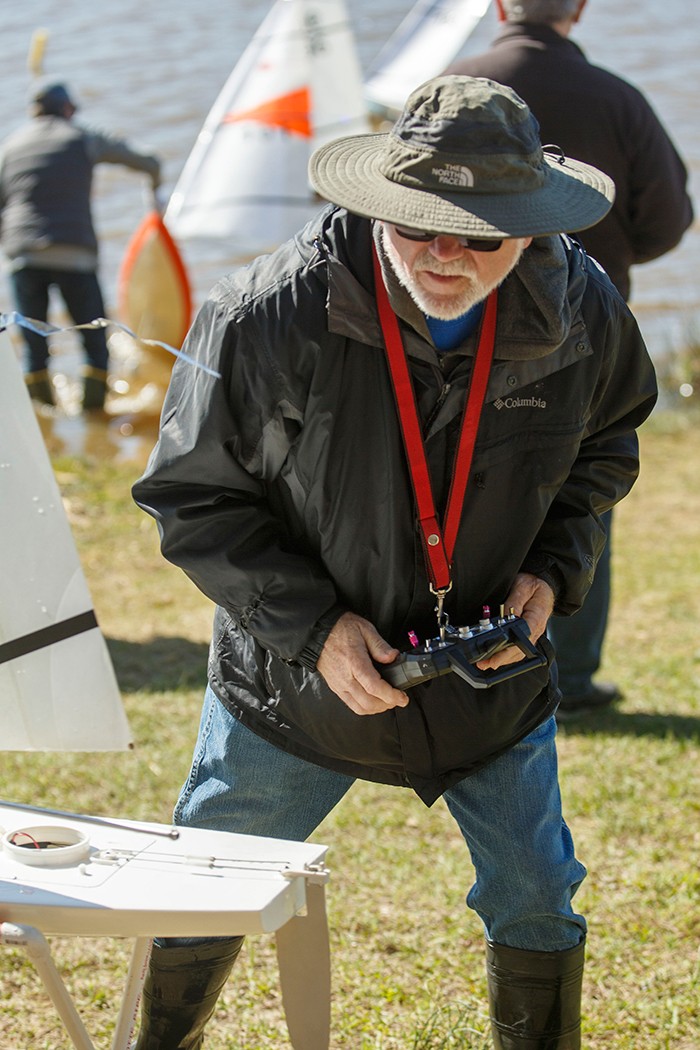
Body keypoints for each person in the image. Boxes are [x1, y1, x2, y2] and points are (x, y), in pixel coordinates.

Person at [131, 76, 657, 1048]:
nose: (445, 257)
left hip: (488, 676)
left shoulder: (582, 310)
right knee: (206, 881)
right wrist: (317, 632)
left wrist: (552, 572)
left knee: (537, 894)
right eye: (419, 228)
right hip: (292, 685)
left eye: (479, 235)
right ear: (381, 203)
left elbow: (607, 447)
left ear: (529, 225)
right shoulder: (267, 312)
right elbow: (190, 498)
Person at [447, 0, 693, 717]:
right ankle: (573, 679)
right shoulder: (617, 98)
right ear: (578, 9)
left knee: (465, 494)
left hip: (458, 331)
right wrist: (604, 252)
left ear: (498, 7)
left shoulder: (454, 86)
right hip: (585, 332)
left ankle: (466, 655)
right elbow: (671, 219)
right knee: (584, 490)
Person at [0, 80, 162, 410]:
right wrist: (156, 186)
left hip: (22, 256)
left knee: (34, 348)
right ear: (66, 109)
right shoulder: (82, 137)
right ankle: (94, 418)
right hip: (75, 255)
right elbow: (145, 160)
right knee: (93, 342)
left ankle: (45, 427)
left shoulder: (10, 146)